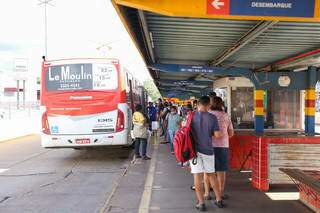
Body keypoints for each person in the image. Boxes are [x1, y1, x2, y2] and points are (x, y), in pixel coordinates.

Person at [189, 96, 223, 211]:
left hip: (194, 152)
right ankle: (218, 200)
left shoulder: (191, 116)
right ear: (208, 105)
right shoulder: (212, 117)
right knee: (212, 176)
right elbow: (218, 135)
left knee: (197, 178)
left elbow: (185, 131)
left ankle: (201, 203)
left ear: (198, 104)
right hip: (208, 151)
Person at [205, 96, 234, 201]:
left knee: (208, 171)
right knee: (221, 171)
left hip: (208, 146)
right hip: (223, 146)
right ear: (221, 104)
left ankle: (207, 193)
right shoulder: (226, 115)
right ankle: (220, 194)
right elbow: (231, 133)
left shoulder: (208, 115)